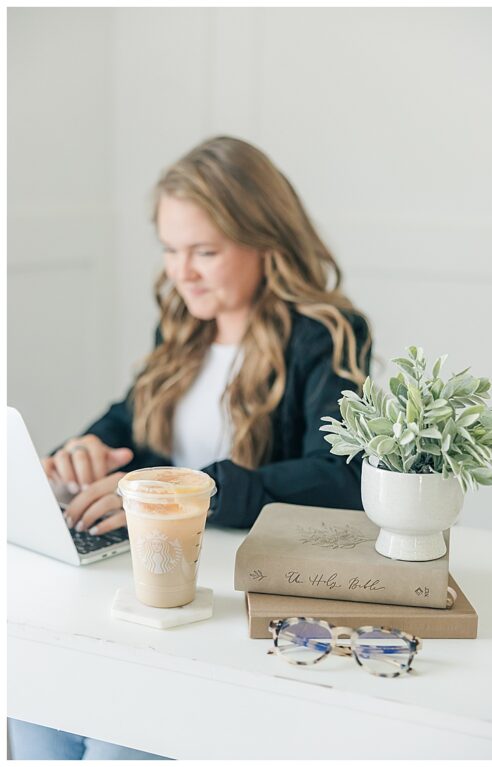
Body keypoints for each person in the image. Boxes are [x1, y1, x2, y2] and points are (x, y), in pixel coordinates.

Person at [11, 136, 372, 759]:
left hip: (231, 602)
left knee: (113, 745)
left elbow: (339, 478)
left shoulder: (323, 336)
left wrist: (192, 493)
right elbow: (128, 420)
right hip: (138, 588)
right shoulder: (182, 328)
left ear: (266, 241)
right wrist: (88, 447)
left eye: (205, 250)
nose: (183, 272)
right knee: (32, 703)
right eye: (172, 250)